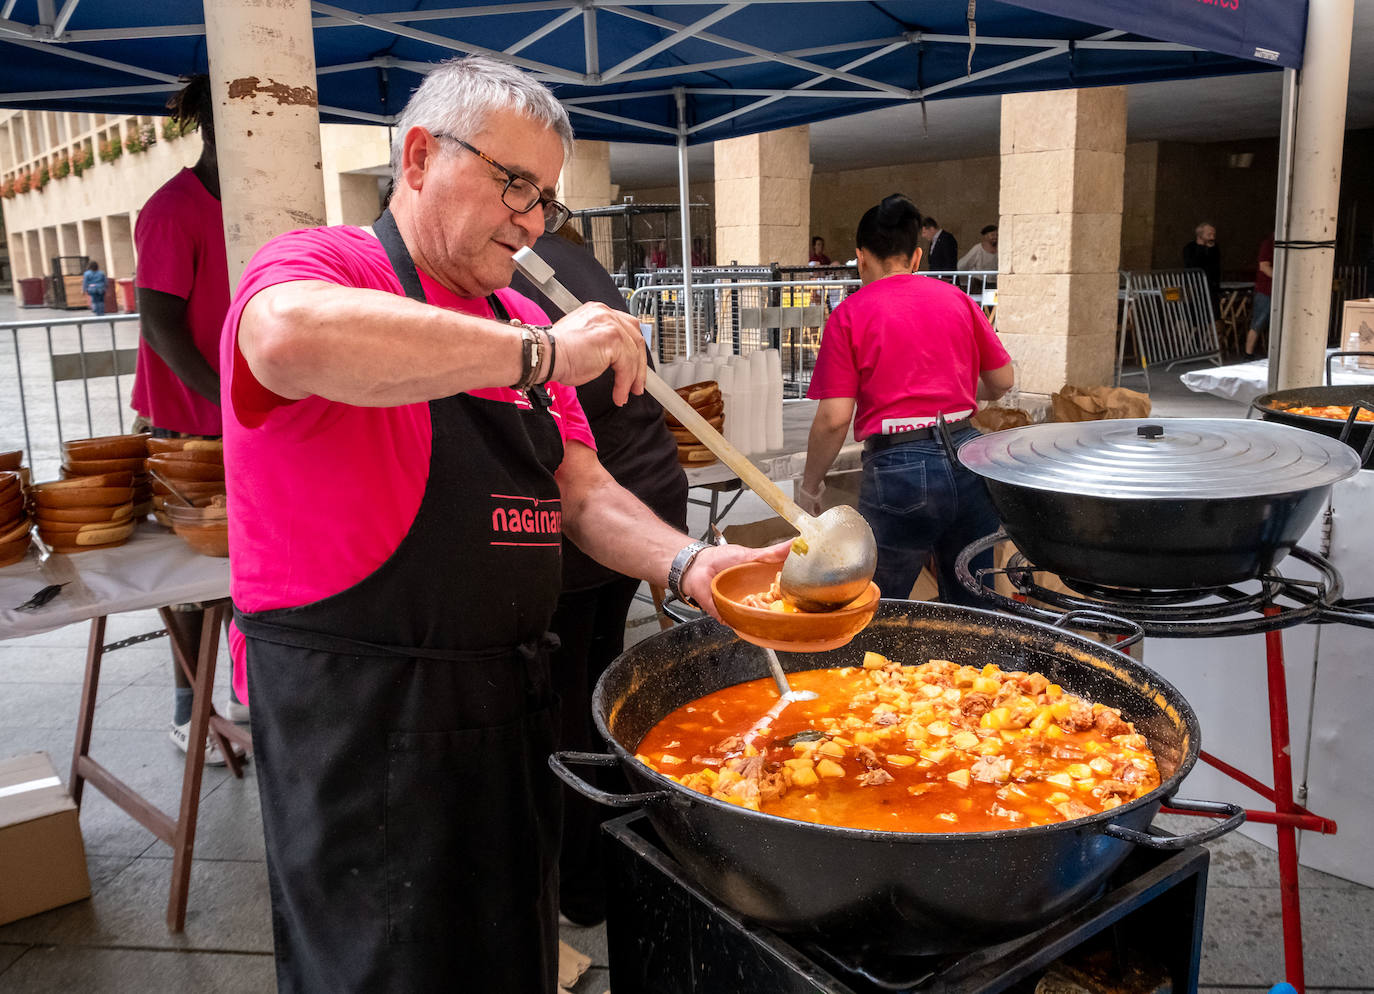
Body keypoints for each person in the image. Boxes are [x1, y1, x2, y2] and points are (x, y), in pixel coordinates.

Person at [220, 56, 780, 993]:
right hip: (363, 717)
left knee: (509, 953)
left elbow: (583, 492)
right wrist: (545, 352)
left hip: (508, 700)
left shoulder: (512, 310)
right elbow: (286, 337)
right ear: (418, 158)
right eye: (512, 181)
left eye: (546, 199)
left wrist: (693, 567)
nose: (530, 219)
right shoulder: (328, 264)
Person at [510, 225, 688, 929]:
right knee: (598, 681)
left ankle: (582, 880)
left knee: (570, 699)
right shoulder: (575, 258)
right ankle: (610, 860)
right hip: (646, 486)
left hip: (600, 507)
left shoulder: (518, 270)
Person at [800, 194, 1014, 605]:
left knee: (877, 606)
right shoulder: (957, 299)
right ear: (916, 256)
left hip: (899, 470)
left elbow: (833, 417)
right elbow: (1001, 380)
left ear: (860, 258)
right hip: (971, 457)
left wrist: (810, 487)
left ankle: (880, 668)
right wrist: (959, 391)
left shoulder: (850, 313)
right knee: (975, 610)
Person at [131, 74, 248, 765]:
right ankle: (189, 715)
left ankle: (231, 698)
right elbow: (161, 327)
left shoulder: (256, 205)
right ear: (210, 125)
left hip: (238, 422)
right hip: (189, 428)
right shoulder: (173, 209)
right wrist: (224, 403)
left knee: (237, 578)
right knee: (192, 588)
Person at [1182, 221, 1221, 315]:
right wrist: (1201, 247)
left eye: (1213, 234)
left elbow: (1215, 265)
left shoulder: (1214, 248)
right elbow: (1193, 264)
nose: (1212, 237)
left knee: (1213, 314)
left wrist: (1210, 249)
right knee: (1192, 313)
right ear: (1200, 235)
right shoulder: (1189, 247)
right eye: (1209, 234)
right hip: (1194, 286)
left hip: (1211, 286)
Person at [1247, 232, 1274, 357]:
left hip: (1274, 290)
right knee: (1258, 321)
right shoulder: (1268, 244)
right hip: (1266, 290)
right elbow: (1264, 266)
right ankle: (1248, 353)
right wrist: (1281, 280)